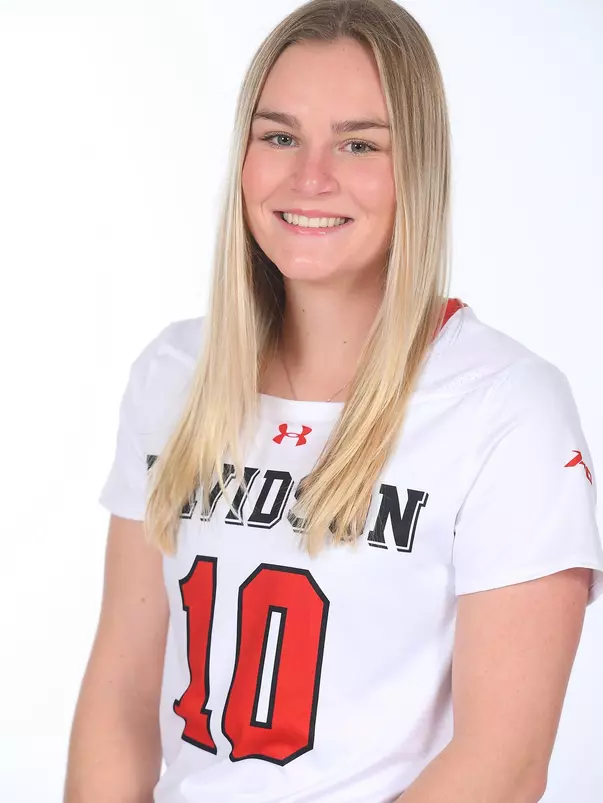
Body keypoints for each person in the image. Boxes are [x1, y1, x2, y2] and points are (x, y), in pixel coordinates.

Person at [64, 1, 603, 801]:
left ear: (415, 166)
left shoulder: (506, 409)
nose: (308, 177)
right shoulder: (173, 373)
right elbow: (121, 688)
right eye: (278, 136)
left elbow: (504, 761)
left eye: (358, 144)